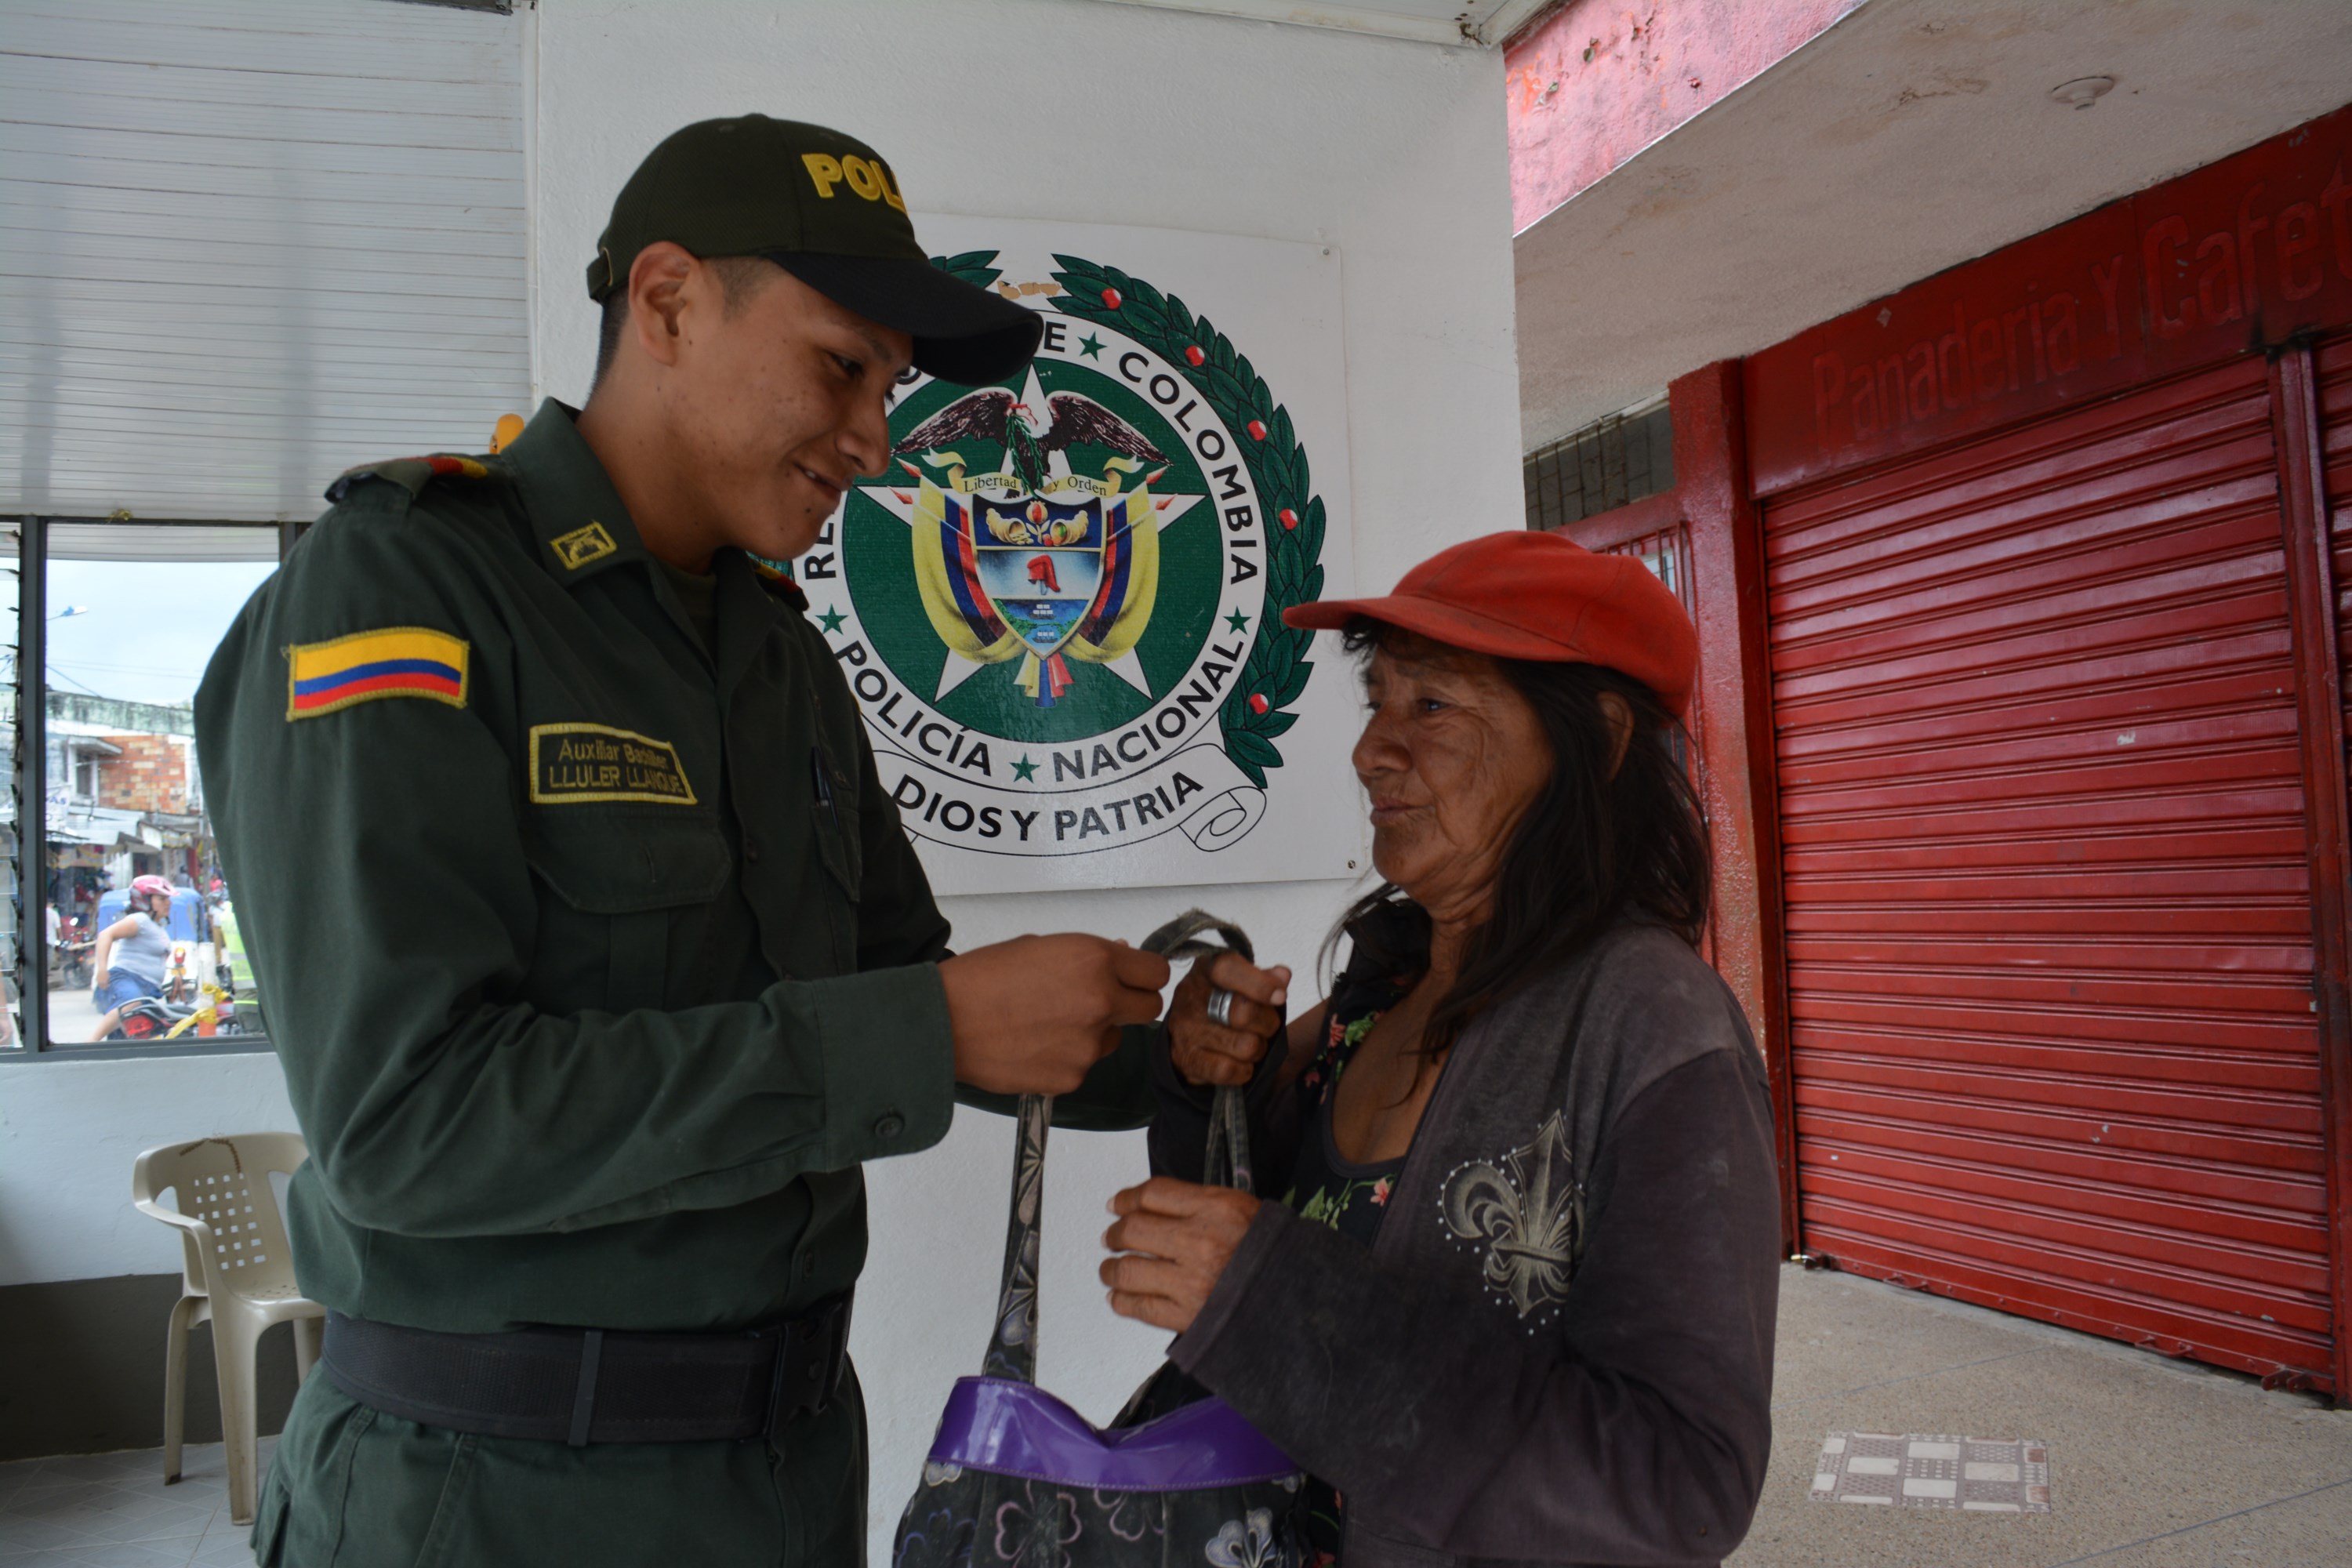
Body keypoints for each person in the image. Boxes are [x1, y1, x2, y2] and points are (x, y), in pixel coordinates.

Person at [194, 115, 1171, 1566]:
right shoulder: (400, 588)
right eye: (845, 367)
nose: (875, 438)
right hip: (492, 1495)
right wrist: (926, 1022)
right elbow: (408, 1128)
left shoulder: (779, 663)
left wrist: (1202, 1050)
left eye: (890, 389)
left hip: (783, 1479)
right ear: (666, 302)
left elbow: (928, 1000)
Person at [1102, 531, 1781, 1567]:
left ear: (1595, 742)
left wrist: (1278, 1307)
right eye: (1379, 702)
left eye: (1433, 707)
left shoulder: (1652, 1026)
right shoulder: (1375, 997)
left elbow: (1676, 1489)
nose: (1374, 748)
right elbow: (1255, 1236)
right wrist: (1205, 1092)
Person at [88, 873, 176, 1040]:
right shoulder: (140, 920)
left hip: (150, 988)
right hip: (128, 979)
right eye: (161, 899)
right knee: (132, 1003)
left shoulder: (158, 926)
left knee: (127, 1039)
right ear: (144, 899)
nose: (168, 903)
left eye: (168, 899)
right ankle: (90, 1044)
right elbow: (106, 935)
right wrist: (102, 970)